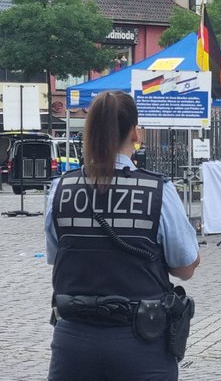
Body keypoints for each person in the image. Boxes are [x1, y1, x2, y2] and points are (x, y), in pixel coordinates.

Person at [44, 91, 200, 380]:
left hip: (73, 344)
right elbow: (185, 267)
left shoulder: (60, 190)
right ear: (134, 131)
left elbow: (57, 257)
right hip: (141, 345)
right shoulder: (158, 191)